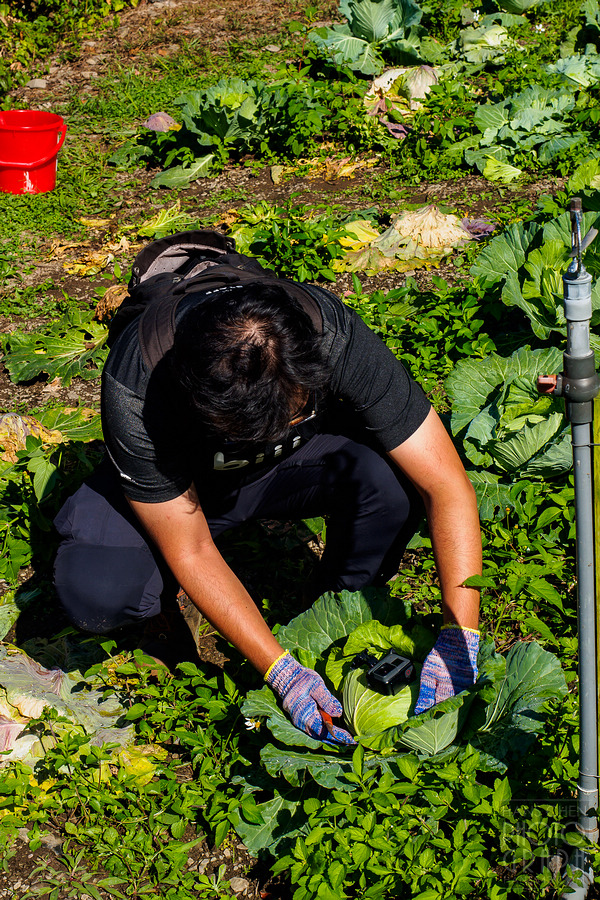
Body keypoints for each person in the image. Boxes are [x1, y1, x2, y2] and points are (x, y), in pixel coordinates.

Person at [53, 276, 481, 746]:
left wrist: (461, 634)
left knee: (395, 481)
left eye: (295, 413)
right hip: (183, 490)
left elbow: (444, 483)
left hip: (284, 469)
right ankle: (168, 611)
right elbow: (191, 546)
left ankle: (331, 617)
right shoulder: (139, 383)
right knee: (96, 591)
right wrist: (280, 673)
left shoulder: (327, 332)